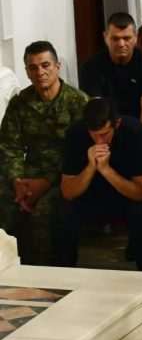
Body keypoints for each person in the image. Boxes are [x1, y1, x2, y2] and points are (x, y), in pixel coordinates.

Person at [0, 41, 88, 265]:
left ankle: (54, 274)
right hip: (28, 174)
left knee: (45, 212)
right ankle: (11, 269)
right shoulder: (20, 103)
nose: (40, 72)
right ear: (27, 72)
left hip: (66, 176)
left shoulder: (77, 103)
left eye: (45, 65)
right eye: (33, 68)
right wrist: (17, 180)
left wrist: (46, 182)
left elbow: (80, 154)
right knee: (6, 203)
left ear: (57, 66)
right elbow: (9, 145)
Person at [57, 97, 142, 270]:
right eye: (94, 135)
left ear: (116, 123)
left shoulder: (135, 132)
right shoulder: (75, 133)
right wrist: (91, 167)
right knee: (64, 210)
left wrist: (106, 170)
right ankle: (66, 274)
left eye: (104, 134)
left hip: (127, 194)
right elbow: (68, 191)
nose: (99, 141)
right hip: (91, 194)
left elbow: (140, 192)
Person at [80, 12, 142, 133]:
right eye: (115, 38)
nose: (121, 44)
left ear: (135, 38)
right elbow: (96, 112)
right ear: (105, 37)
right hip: (105, 132)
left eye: (126, 38)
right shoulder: (91, 67)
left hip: (139, 132)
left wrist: (139, 142)